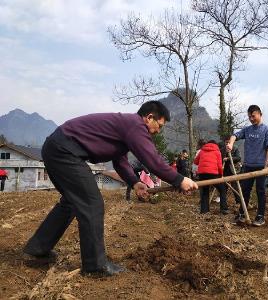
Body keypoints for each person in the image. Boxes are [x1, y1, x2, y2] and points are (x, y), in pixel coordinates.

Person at [23, 101, 198, 277]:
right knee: (92, 203)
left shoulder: (126, 127)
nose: (158, 131)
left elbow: (119, 160)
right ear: (149, 117)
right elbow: (152, 160)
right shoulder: (135, 125)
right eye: (158, 126)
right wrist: (179, 179)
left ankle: (38, 248)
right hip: (64, 151)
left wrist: (134, 182)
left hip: (56, 148)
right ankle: (94, 266)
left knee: (71, 201)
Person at [226, 105, 268, 226]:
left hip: (261, 167)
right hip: (247, 166)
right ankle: (242, 213)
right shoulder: (247, 130)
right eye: (249, 117)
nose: (251, 119)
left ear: (260, 114)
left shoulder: (267, 130)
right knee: (245, 190)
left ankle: (260, 216)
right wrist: (231, 144)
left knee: (260, 191)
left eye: (253, 116)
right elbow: (235, 135)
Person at [194, 140, 228, 214]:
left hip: (202, 174)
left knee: (205, 191)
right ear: (216, 145)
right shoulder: (217, 151)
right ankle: (224, 209)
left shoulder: (202, 151)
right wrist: (221, 175)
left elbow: (195, 162)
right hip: (213, 174)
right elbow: (219, 166)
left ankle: (204, 210)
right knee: (222, 189)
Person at [219, 135, 242, 204]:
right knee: (223, 187)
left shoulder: (235, 148)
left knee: (235, 186)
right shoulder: (222, 150)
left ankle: (238, 201)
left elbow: (238, 158)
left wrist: (228, 159)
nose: (227, 144)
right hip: (224, 170)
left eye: (229, 142)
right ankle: (223, 203)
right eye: (226, 142)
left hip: (233, 170)